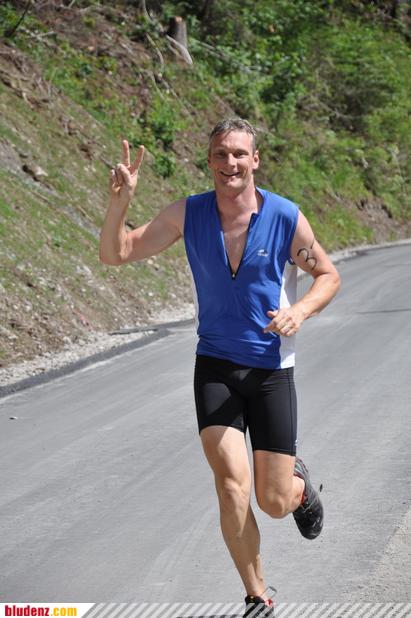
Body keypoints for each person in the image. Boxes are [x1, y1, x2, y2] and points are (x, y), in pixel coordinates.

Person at [100, 118, 341, 617]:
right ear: (209, 161)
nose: (230, 163)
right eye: (220, 154)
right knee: (232, 486)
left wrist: (299, 311)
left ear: (255, 160)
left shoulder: (284, 217)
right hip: (214, 366)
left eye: (239, 154)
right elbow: (115, 253)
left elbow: (328, 276)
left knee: (272, 501)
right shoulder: (187, 214)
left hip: (270, 369)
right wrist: (120, 203)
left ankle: (297, 489)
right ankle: (257, 596)